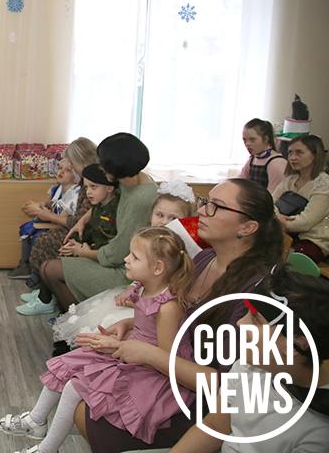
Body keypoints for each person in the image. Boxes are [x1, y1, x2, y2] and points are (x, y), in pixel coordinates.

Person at [76, 178, 283, 452]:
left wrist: (148, 354)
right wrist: (132, 323)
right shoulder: (204, 259)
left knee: (90, 411)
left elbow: (227, 385)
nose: (202, 212)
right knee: (82, 385)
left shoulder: (253, 291)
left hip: (201, 402)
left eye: (216, 206)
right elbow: (172, 312)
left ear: (247, 227)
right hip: (169, 373)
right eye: (205, 202)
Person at [0, 227, 196, 452]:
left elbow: (166, 358)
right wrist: (126, 324)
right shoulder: (145, 289)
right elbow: (148, 321)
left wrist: (119, 346)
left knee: (75, 386)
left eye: (134, 257)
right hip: (135, 354)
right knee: (69, 363)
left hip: (151, 373)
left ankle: (45, 447)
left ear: (158, 268)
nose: (126, 259)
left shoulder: (169, 307)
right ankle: (36, 420)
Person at [172, 267, 329, 453]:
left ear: (294, 344)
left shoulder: (319, 434)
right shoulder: (249, 365)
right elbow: (214, 426)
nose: (240, 323)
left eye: (255, 319)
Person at [52, 180, 196, 346]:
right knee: (102, 321)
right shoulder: (147, 237)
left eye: (173, 218)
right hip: (140, 295)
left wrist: (139, 301)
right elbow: (144, 275)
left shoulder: (180, 250)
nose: (164, 222)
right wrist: (132, 288)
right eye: (159, 215)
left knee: (111, 322)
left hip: (153, 310)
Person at [37, 133, 157, 315]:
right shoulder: (132, 180)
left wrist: (84, 252)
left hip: (124, 270)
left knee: (50, 269)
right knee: (52, 263)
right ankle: (71, 316)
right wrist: (83, 220)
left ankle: (74, 321)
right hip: (113, 254)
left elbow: (118, 252)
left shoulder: (140, 200)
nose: (100, 168)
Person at [17, 164, 118, 315]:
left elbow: (106, 245)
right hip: (88, 249)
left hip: (98, 258)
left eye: (93, 187)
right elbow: (84, 230)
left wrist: (80, 249)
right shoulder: (98, 206)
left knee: (53, 261)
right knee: (54, 253)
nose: (88, 192)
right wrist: (74, 243)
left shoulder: (111, 211)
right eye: (87, 187)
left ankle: (62, 311)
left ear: (109, 188)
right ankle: (46, 299)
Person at [17, 138, 98, 312]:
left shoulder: (89, 184)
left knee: (46, 242)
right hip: (77, 228)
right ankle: (45, 293)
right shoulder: (83, 182)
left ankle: (46, 299)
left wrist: (44, 214)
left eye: (71, 165)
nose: (69, 168)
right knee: (43, 239)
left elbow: (77, 219)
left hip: (86, 233)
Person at [11, 159, 81, 281]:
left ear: (76, 178)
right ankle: (25, 264)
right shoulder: (58, 188)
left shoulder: (74, 194)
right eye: (60, 168)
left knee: (37, 237)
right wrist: (40, 205)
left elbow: (62, 217)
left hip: (61, 227)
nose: (61, 172)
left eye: (68, 170)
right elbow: (51, 203)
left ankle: (36, 274)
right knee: (27, 228)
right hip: (50, 221)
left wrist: (41, 212)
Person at [271, 134, 329, 264]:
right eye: (290, 153)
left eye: (299, 152)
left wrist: (277, 220)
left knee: (285, 262)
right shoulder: (290, 180)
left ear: (315, 155)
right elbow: (269, 202)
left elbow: (305, 222)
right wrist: (277, 217)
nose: (292, 157)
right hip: (284, 232)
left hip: (313, 240)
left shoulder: (324, 185)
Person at [239, 118, 286, 192]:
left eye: (252, 140)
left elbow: (273, 194)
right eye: (244, 140)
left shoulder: (277, 162)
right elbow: (240, 182)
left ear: (266, 139)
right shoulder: (253, 159)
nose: (247, 144)